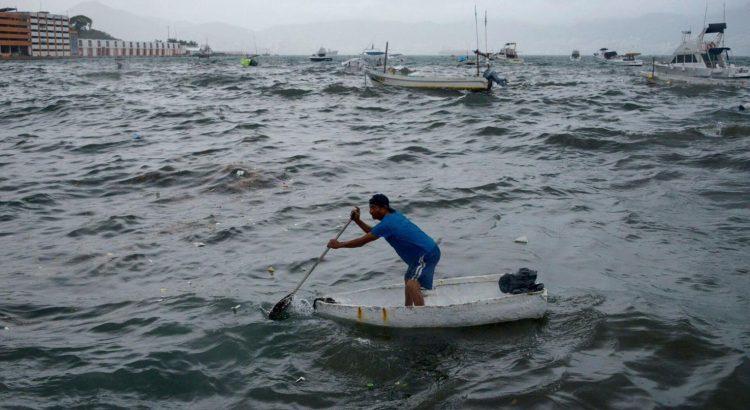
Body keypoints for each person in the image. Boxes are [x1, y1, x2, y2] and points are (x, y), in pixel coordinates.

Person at [327, 194, 440, 307]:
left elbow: (362, 242)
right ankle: (408, 309)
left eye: (373, 207)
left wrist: (339, 245)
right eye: (370, 208)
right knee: (408, 279)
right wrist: (357, 221)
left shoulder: (388, 224)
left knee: (412, 283)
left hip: (425, 254)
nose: (370, 211)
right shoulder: (393, 216)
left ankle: (420, 314)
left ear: (384, 207)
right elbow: (373, 232)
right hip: (425, 253)